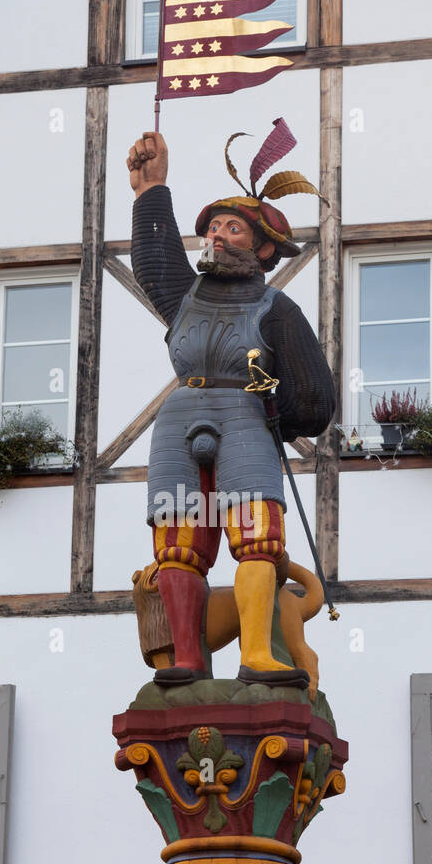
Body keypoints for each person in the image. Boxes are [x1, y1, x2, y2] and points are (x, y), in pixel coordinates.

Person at [126, 125, 335, 689]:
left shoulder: (277, 308)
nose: (217, 236)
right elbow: (156, 263)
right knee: (177, 542)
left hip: (245, 419)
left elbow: (316, 395)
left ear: (263, 247)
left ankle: (257, 655)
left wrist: (279, 413)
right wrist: (151, 192)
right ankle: (187, 656)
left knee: (258, 536)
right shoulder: (183, 298)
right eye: (214, 227)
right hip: (179, 421)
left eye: (232, 227)